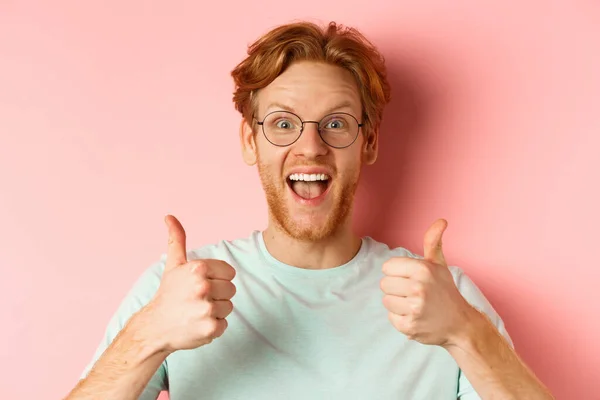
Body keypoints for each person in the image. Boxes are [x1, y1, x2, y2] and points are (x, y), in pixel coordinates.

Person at [65, 21, 554, 400]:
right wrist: (148, 336)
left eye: (336, 123)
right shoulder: (177, 291)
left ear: (369, 142)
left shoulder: (445, 299)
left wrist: (465, 333)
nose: (310, 147)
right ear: (250, 141)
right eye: (283, 124)